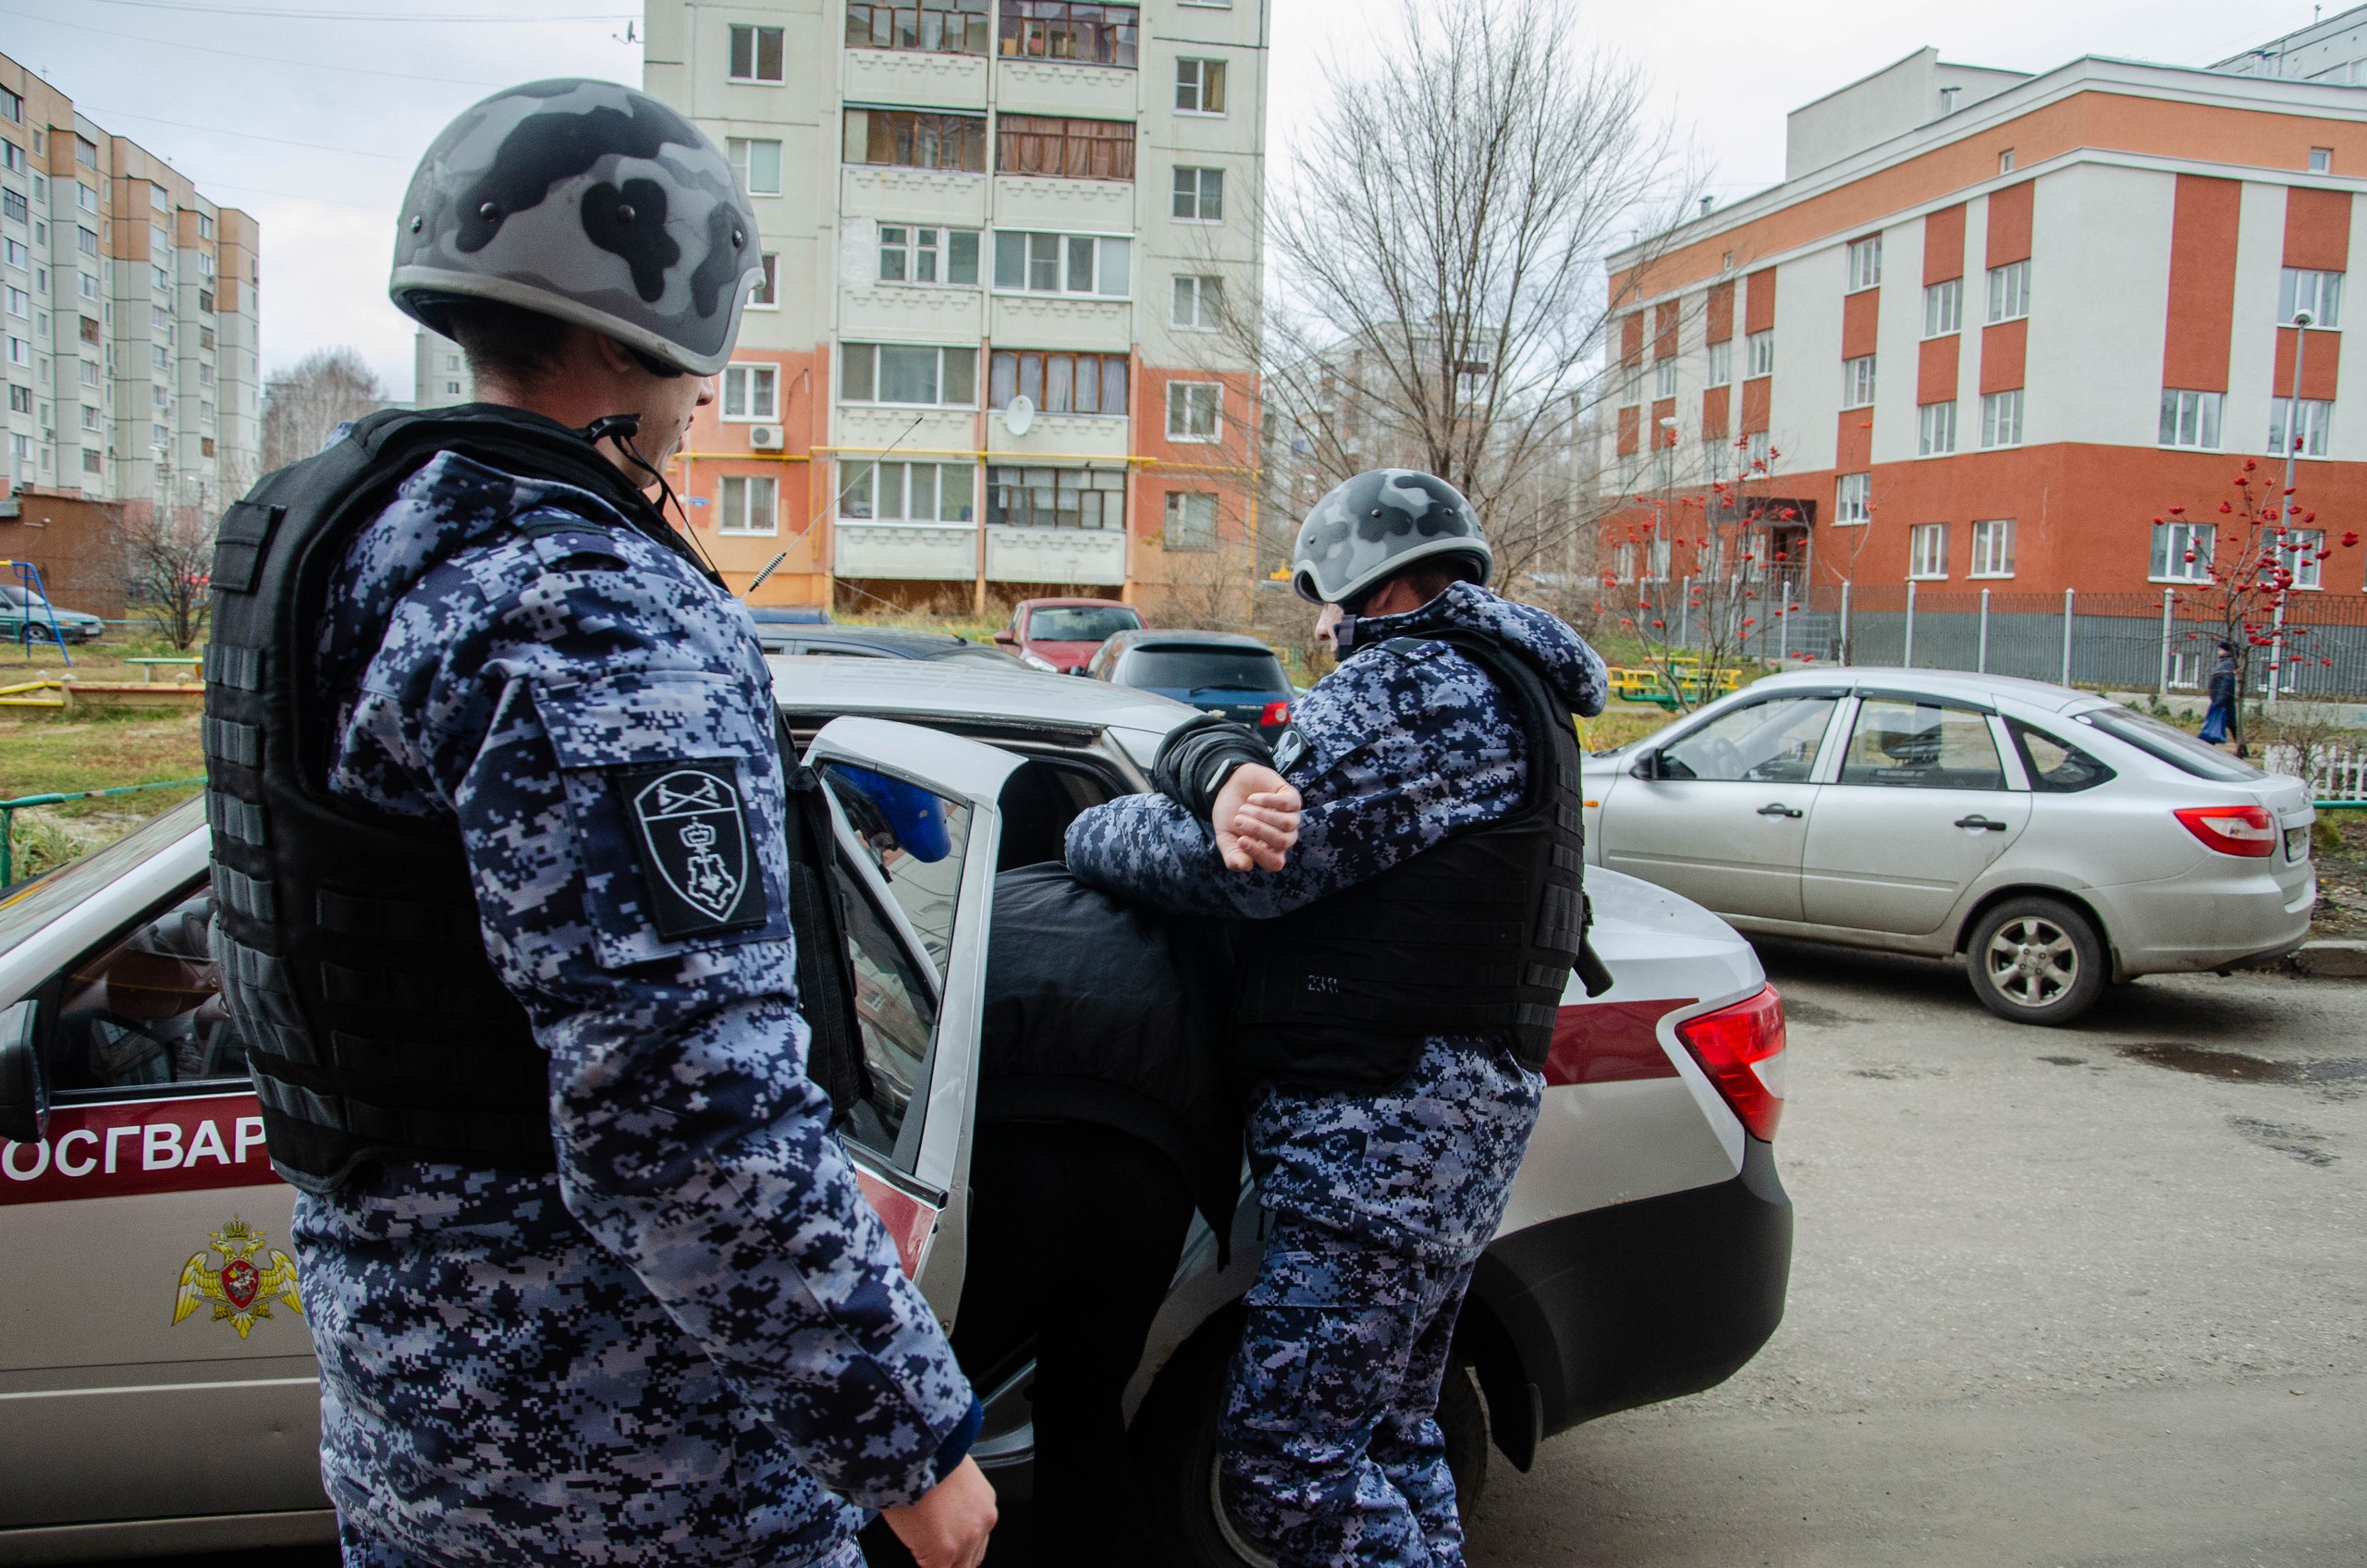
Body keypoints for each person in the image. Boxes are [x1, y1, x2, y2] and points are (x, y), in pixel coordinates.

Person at [202, 80, 994, 1568]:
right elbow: (686, 1119)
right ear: (670, 316)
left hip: (411, 1423)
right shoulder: (589, 605)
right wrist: (908, 1444)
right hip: (633, 1464)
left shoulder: (340, 544)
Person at [1063, 469, 1609, 1568]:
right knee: (1395, 1433)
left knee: (1286, 1474)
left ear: (1371, 586)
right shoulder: (1514, 685)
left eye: (1322, 600)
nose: (1319, 630)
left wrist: (1083, 830)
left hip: (1381, 1129)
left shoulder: (1415, 683)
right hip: (1446, 1125)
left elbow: (1251, 863)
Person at [950, 861, 1267, 1568]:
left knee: (931, 1394)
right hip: (1146, 1171)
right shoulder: (1206, 932)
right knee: (1084, 1407)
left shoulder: (1008, 891)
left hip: (1006, 1150)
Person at [2200, 640, 2239, 747]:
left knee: (2217, 723)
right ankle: (2241, 747)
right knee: (2230, 725)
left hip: (2222, 702)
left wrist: (2219, 701)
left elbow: (2227, 682)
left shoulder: (2227, 664)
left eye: (2220, 649)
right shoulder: (2228, 663)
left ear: (2226, 651)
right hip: (2222, 701)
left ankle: (2208, 744)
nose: (2218, 651)